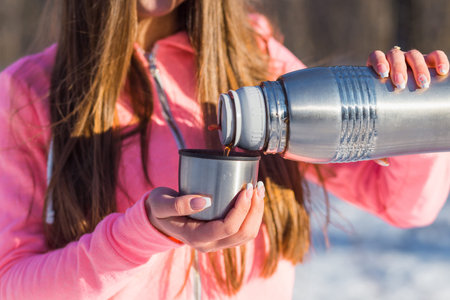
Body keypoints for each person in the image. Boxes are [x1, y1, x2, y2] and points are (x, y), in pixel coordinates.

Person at [0, 1, 449, 299]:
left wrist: (409, 110)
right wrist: (142, 233)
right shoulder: (29, 92)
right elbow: (13, 283)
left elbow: (403, 204)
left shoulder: (254, 56)